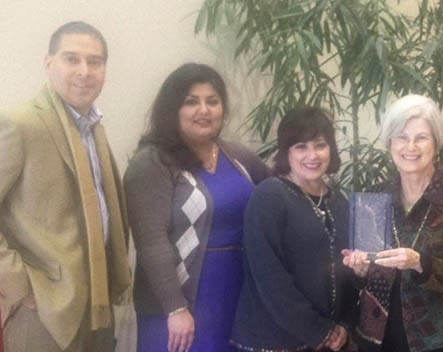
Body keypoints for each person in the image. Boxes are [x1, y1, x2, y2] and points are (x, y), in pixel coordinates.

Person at [0, 21, 131, 351]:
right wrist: (19, 285)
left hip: (97, 305)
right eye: (72, 59)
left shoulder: (93, 127)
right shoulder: (21, 123)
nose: (85, 71)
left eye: (95, 61)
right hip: (44, 309)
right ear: (49, 63)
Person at [123, 63, 270, 352]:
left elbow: (276, 194)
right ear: (172, 108)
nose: (204, 110)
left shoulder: (237, 155)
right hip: (181, 301)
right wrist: (174, 308)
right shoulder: (152, 162)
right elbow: (152, 243)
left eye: (212, 101)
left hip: (235, 292)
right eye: (191, 101)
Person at [343, 94, 443, 352]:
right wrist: (360, 271)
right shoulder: (374, 198)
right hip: (378, 337)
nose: (411, 147)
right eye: (402, 137)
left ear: (436, 143)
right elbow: (367, 278)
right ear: (389, 144)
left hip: (440, 339)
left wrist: (421, 263)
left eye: (421, 137)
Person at [231, 107, 356, 351]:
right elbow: (270, 278)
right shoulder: (269, 196)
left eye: (320, 145)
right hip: (273, 339)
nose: (312, 155)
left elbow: (347, 270)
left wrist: (343, 325)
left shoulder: (339, 201)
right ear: (286, 152)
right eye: (301, 146)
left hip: (327, 338)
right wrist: (318, 330)